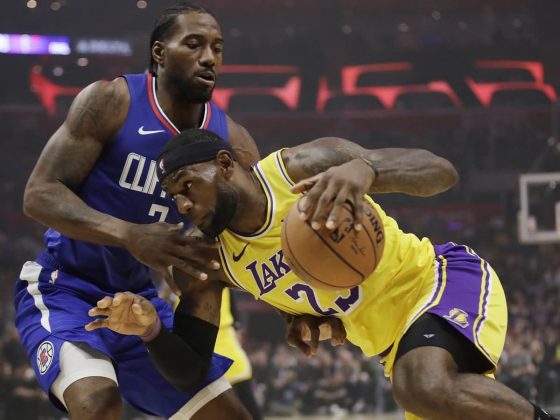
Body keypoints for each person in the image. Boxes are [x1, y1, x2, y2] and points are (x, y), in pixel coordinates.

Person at [14, 3, 329, 419]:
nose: (209, 57)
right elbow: (38, 194)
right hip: (65, 288)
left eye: (217, 48)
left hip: (139, 300)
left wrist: (290, 306)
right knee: (98, 404)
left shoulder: (232, 144)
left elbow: (254, 237)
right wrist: (129, 234)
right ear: (159, 52)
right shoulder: (112, 101)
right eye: (194, 44)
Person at [152, 127, 558, 420]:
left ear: (224, 164)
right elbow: (189, 369)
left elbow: (442, 172)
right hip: (394, 350)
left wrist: (368, 170)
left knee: (421, 385)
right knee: (423, 388)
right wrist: (150, 330)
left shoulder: (299, 168)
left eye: (188, 185)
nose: (182, 204)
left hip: (439, 282)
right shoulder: (212, 258)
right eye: (174, 197)